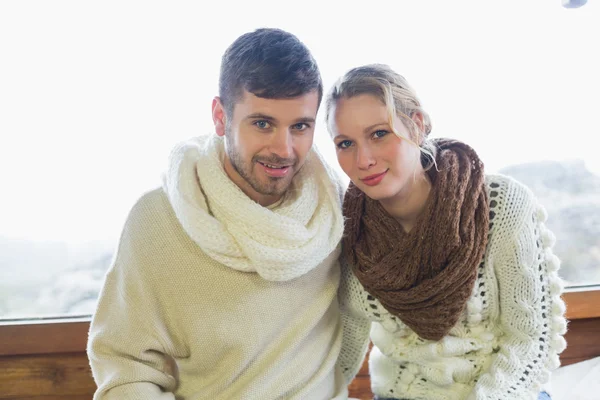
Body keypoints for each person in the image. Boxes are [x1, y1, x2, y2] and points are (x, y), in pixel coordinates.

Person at [87, 28, 370, 400]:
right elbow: (124, 368)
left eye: (300, 126)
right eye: (262, 124)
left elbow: (359, 314)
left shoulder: (333, 207)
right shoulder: (158, 219)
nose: (283, 149)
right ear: (221, 117)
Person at [327, 64, 567, 400]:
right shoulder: (349, 229)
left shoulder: (500, 205)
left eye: (379, 133)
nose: (363, 159)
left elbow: (530, 340)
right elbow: (345, 345)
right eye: (345, 143)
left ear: (417, 125)